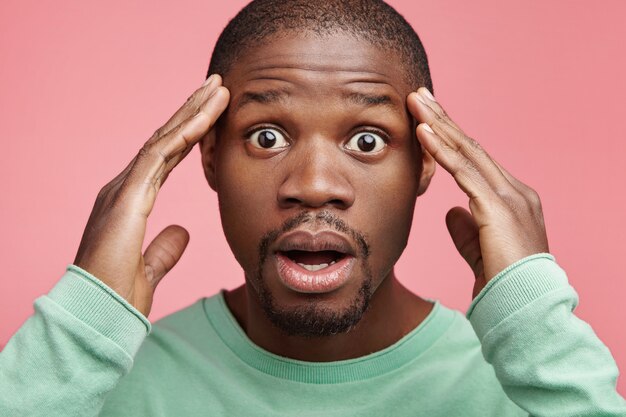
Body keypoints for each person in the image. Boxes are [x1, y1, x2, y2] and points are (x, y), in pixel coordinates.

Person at [1, 0, 625, 415]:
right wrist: (81, 331)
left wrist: (536, 321)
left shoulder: (524, 386)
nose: (316, 184)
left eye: (367, 140)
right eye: (266, 136)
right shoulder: (99, 387)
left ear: (429, 163)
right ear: (209, 158)